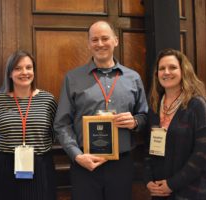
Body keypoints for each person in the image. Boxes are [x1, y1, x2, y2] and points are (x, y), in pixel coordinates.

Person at [54, 20, 148, 200]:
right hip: (85, 163)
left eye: (105, 38)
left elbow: (144, 116)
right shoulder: (72, 78)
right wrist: (77, 156)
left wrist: (135, 122)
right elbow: (61, 124)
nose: (100, 44)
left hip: (122, 163)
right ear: (88, 44)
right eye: (94, 39)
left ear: (116, 40)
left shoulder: (133, 78)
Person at [0, 50, 57, 200]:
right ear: (10, 73)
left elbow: (55, 132)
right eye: (18, 68)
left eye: (28, 67)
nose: (24, 72)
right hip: (3, 167)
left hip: (40, 166)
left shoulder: (48, 100)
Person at [144, 48, 206, 200]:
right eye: (162, 68)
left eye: (172, 67)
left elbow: (202, 153)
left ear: (183, 71)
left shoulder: (197, 105)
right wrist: (148, 180)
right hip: (160, 190)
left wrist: (172, 184)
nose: (166, 72)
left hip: (191, 190)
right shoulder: (154, 106)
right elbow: (149, 149)